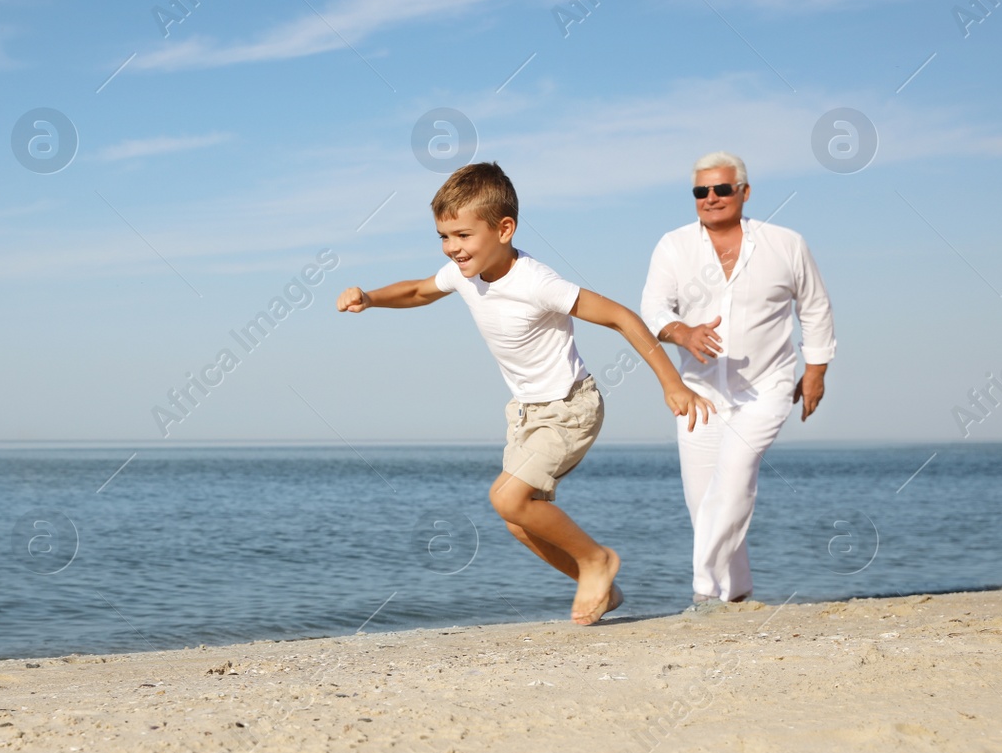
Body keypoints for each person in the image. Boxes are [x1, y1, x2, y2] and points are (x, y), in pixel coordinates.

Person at [337, 162, 713, 625]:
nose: (453, 248)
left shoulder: (537, 282)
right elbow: (418, 291)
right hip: (526, 415)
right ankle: (600, 586)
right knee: (518, 520)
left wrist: (671, 383)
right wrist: (370, 297)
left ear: (504, 228)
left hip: (570, 408)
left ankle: (598, 560)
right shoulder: (463, 274)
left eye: (462, 235)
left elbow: (622, 317)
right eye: (444, 236)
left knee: (507, 498)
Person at [641, 151, 836, 606]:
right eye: (701, 191)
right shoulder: (674, 245)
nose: (711, 198)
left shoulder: (786, 244)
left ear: (743, 192)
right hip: (701, 393)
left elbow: (815, 307)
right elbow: (652, 310)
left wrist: (816, 370)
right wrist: (682, 332)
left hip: (766, 388)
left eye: (722, 189)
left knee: (733, 479)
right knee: (704, 502)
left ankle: (704, 594)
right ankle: (739, 592)